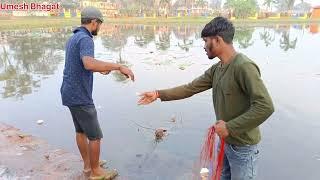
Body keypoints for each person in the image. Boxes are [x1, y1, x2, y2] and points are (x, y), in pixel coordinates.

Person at [138, 17, 274, 180]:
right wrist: (158, 94)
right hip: (224, 142)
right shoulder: (217, 69)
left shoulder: (243, 67)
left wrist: (230, 127)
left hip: (243, 147)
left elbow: (265, 106)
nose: (203, 46)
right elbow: (190, 88)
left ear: (218, 40)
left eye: (205, 41)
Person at [60, 6, 134, 180]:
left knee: (80, 131)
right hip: (80, 95)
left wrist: (98, 68)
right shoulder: (86, 39)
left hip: (68, 92)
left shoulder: (74, 37)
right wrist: (118, 66)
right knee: (95, 135)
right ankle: (96, 172)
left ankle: (88, 166)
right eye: (99, 24)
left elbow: (81, 64)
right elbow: (88, 63)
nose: (99, 27)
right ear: (94, 22)